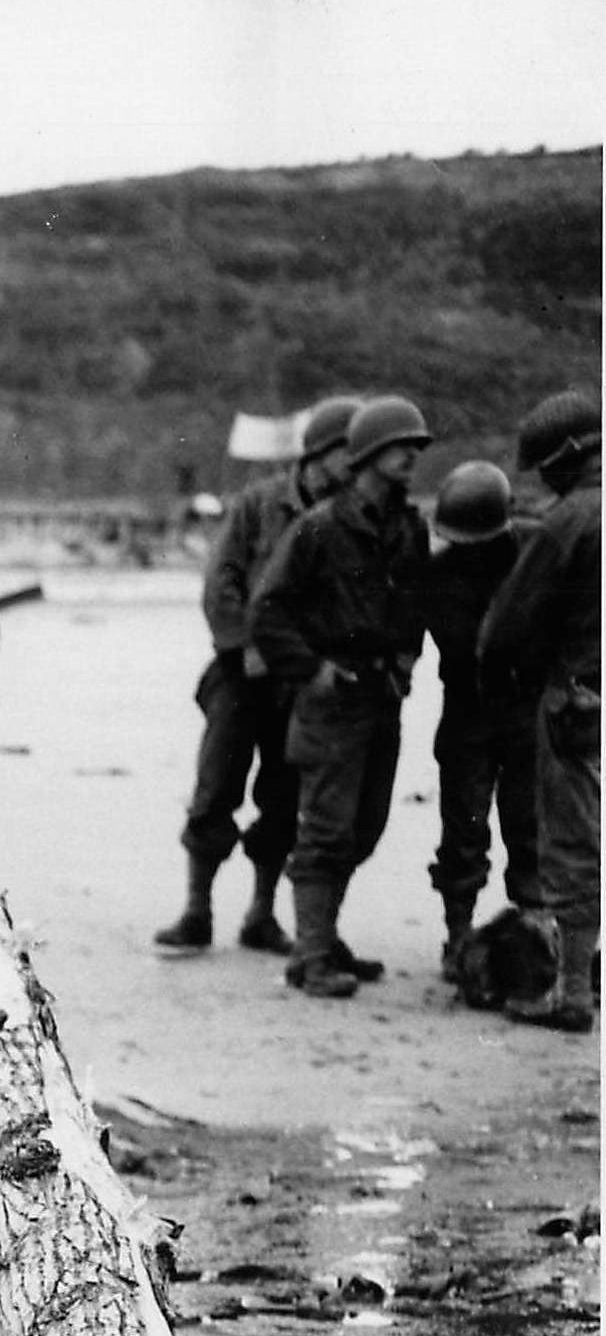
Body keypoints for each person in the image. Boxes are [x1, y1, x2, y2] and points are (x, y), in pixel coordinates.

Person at [248, 394, 435, 999]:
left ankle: (320, 939)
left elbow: (413, 603)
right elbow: (268, 611)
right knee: (326, 831)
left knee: (367, 827)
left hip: (381, 697)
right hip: (331, 703)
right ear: (372, 454)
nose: (413, 457)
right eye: (403, 447)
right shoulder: (320, 528)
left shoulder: (408, 528)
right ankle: (312, 953)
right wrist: (312, 670)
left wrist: (407, 657)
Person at [156, 396, 358, 954]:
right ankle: (197, 910)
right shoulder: (258, 505)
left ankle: (261, 915)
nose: (357, 460)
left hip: (300, 678)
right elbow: (220, 581)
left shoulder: (347, 518)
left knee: (284, 796)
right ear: (320, 452)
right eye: (349, 449)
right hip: (240, 676)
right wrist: (244, 646)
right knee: (215, 786)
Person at [479, 389, 602, 1034]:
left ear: (562, 458)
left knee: (575, 845)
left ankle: (574, 991)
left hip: (578, 701)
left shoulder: (573, 520)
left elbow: (507, 630)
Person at [415, 461, 542, 976]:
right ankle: (459, 933)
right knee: (463, 829)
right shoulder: (439, 575)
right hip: (469, 710)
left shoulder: (536, 554)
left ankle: (538, 931)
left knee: (530, 826)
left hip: (525, 712)